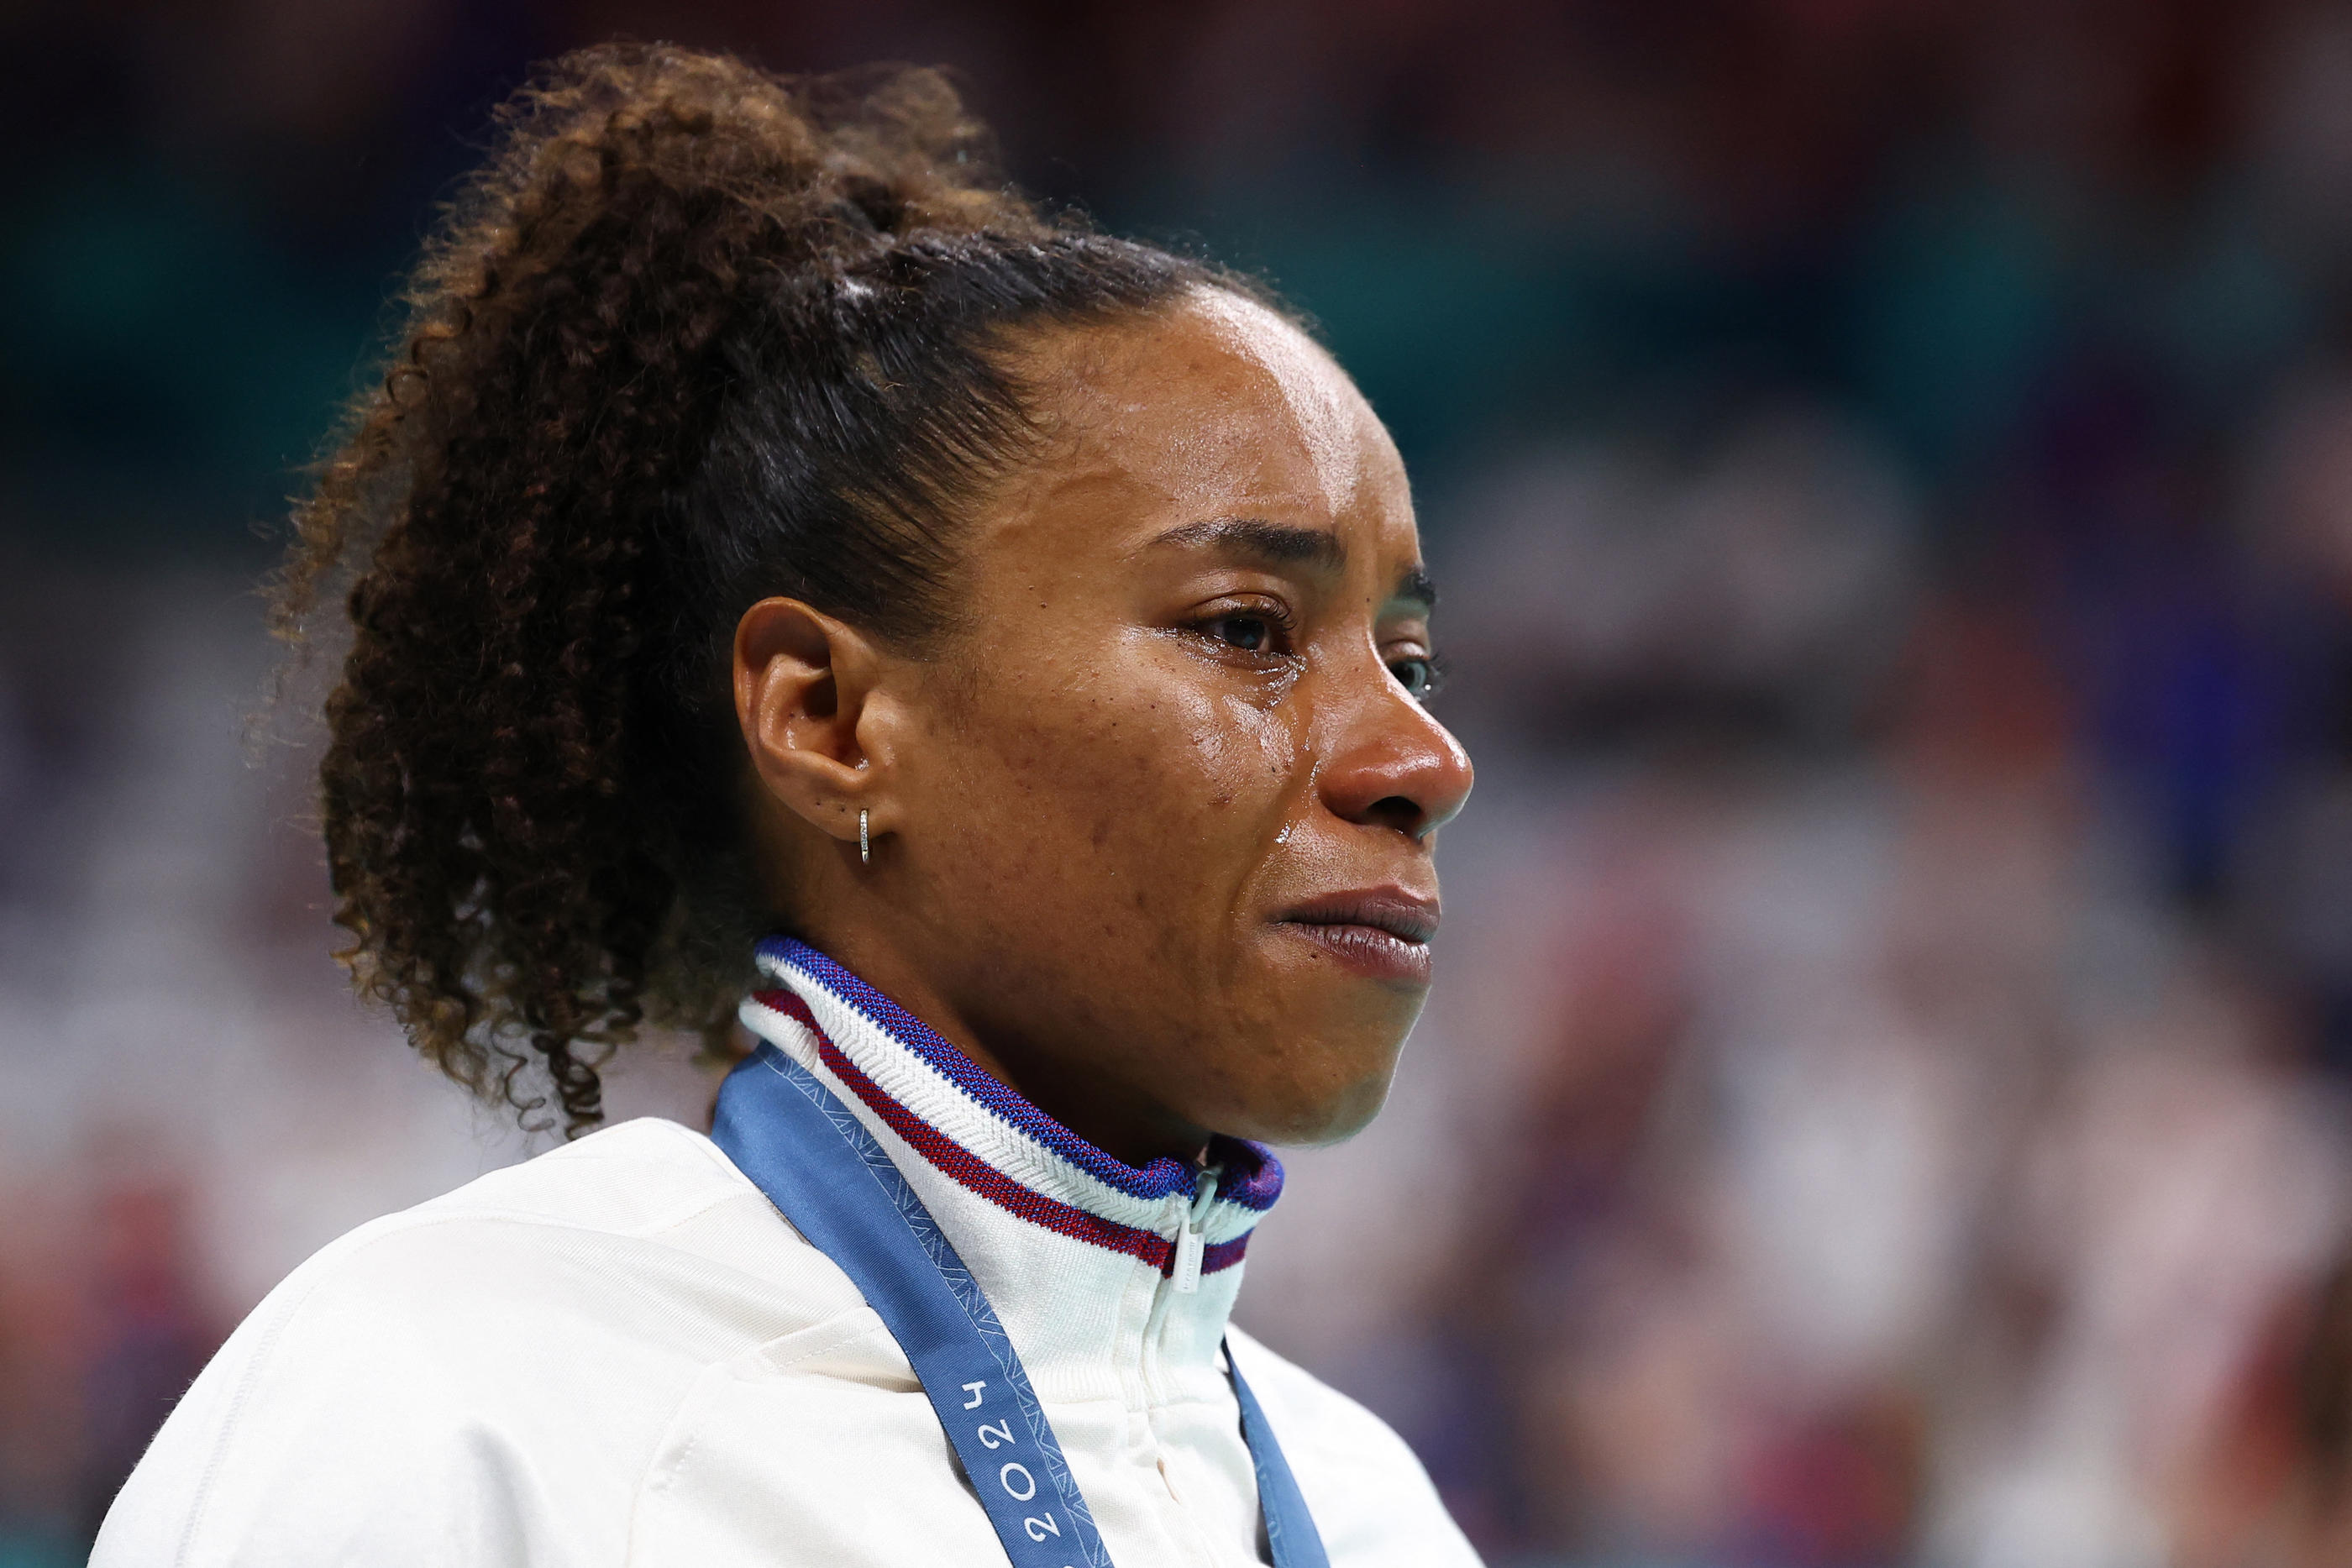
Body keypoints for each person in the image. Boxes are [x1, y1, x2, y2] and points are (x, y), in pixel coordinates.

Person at [92, 41, 1477, 1568]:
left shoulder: (1373, 1513)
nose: (1422, 760)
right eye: (1244, 632)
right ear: (829, 719)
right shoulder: (459, 1413)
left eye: (1407, 657)